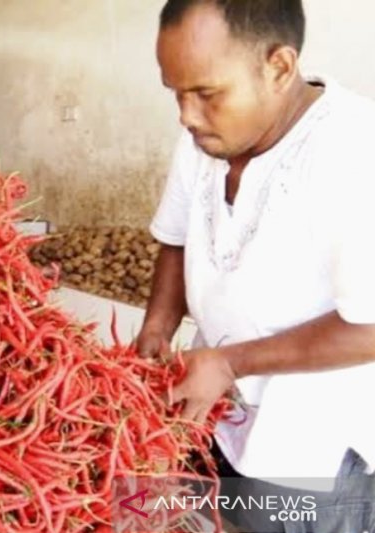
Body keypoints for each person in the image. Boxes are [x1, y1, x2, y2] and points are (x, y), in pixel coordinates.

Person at [137, 0, 375, 531]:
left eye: (206, 93)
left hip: (310, 456)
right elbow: (175, 240)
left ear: (280, 68)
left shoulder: (355, 151)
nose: (186, 115)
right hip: (217, 421)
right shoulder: (204, 137)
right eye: (176, 93)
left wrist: (228, 363)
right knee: (164, 511)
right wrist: (158, 324)